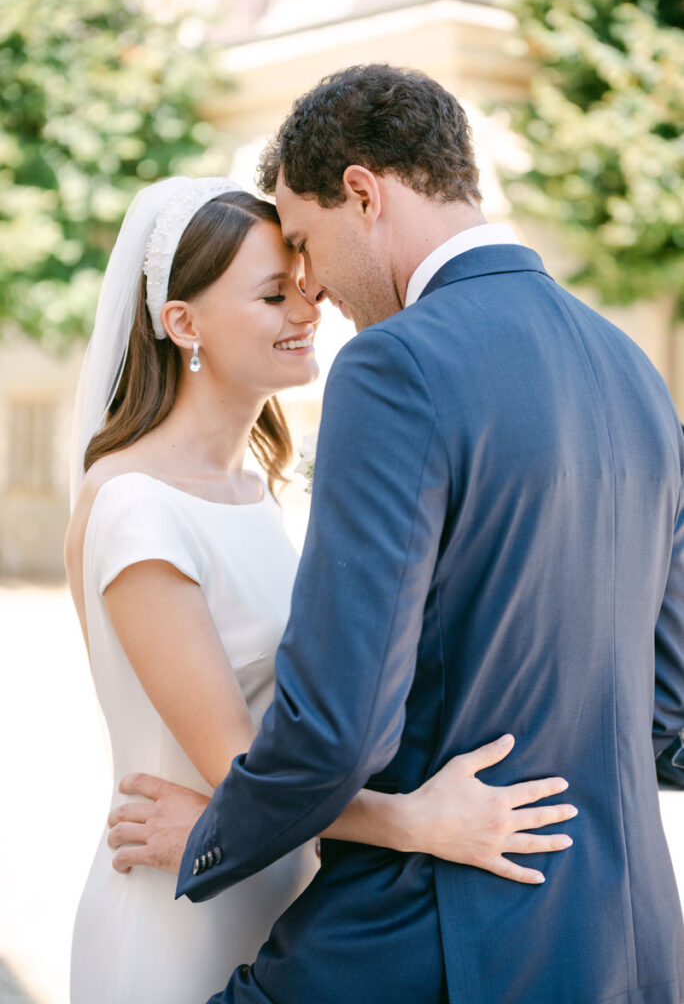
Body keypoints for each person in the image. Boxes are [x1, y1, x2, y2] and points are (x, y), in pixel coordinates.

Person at [110, 64, 684, 1003]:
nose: (313, 286)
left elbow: (338, 731)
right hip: (628, 945)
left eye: (303, 241)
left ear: (364, 193)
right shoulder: (632, 370)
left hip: (429, 943)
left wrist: (218, 827)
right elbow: (670, 711)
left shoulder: (397, 367)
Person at [65, 175, 577, 1004]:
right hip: (178, 915)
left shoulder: (253, 490)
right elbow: (241, 763)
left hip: (281, 903)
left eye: (303, 287)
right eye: (273, 297)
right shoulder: (135, 507)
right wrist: (421, 823)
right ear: (182, 323)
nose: (308, 313)